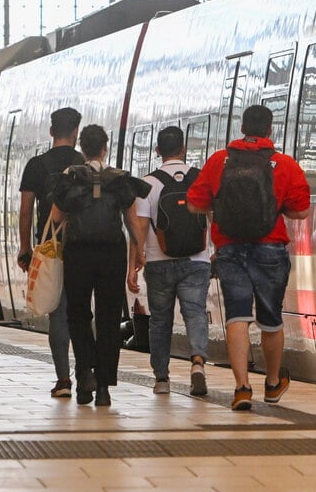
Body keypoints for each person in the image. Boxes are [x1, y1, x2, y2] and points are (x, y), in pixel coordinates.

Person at [187, 104, 310, 411]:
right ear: (270, 129)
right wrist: (273, 208)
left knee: (237, 316)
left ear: (242, 128)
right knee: (271, 319)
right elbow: (301, 210)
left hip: (230, 249)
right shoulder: (284, 164)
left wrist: (222, 209)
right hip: (270, 249)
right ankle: (271, 383)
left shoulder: (219, 161)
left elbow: (193, 204)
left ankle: (242, 388)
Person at [50, 124, 149, 407]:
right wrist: (138, 255)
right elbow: (132, 223)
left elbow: (56, 218)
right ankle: (104, 387)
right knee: (108, 320)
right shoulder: (119, 180)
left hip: (78, 253)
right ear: (105, 147)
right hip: (111, 255)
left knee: (78, 315)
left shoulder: (71, 176)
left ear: (83, 148)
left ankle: (84, 375)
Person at [127, 126, 211, 396]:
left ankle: (162, 378)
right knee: (195, 313)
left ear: (157, 151)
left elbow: (138, 228)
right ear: (184, 148)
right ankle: (197, 362)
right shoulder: (200, 179)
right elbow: (214, 218)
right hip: (197, 260)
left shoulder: (147, 184)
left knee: (160, 321)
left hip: (158, 262)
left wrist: (133, 264)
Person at [17, 107, 83, 397]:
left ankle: (64, 380)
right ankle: (87, 375)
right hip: (83, 245)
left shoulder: (37, 165)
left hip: (49, 248)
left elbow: (25, 211)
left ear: (51, 131)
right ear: (76, 132)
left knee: (58, 313)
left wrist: (25, 248)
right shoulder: (83, 164)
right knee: (81, 313)